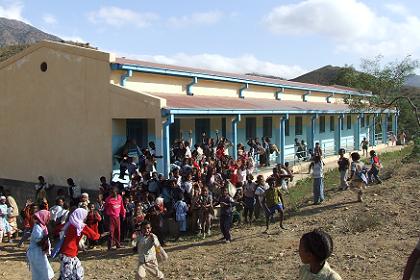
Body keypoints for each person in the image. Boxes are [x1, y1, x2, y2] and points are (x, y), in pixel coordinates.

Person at [59, 208, 100, 280]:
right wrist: (102, 235)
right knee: (69, 276)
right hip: (69, 254)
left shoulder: (70, 223)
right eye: (85, 216)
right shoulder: (80, 226)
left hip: (65, 252)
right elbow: (94, 236)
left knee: (75, 272)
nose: (86, 218)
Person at [26, 210, 54, 280]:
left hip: (39, 253)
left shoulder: (42, 226)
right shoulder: (37, 228)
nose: (48, 219)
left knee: (43, 271)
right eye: (47, 217)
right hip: (36, 253)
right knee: (42, 272)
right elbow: (38, 242)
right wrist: (47, 236)